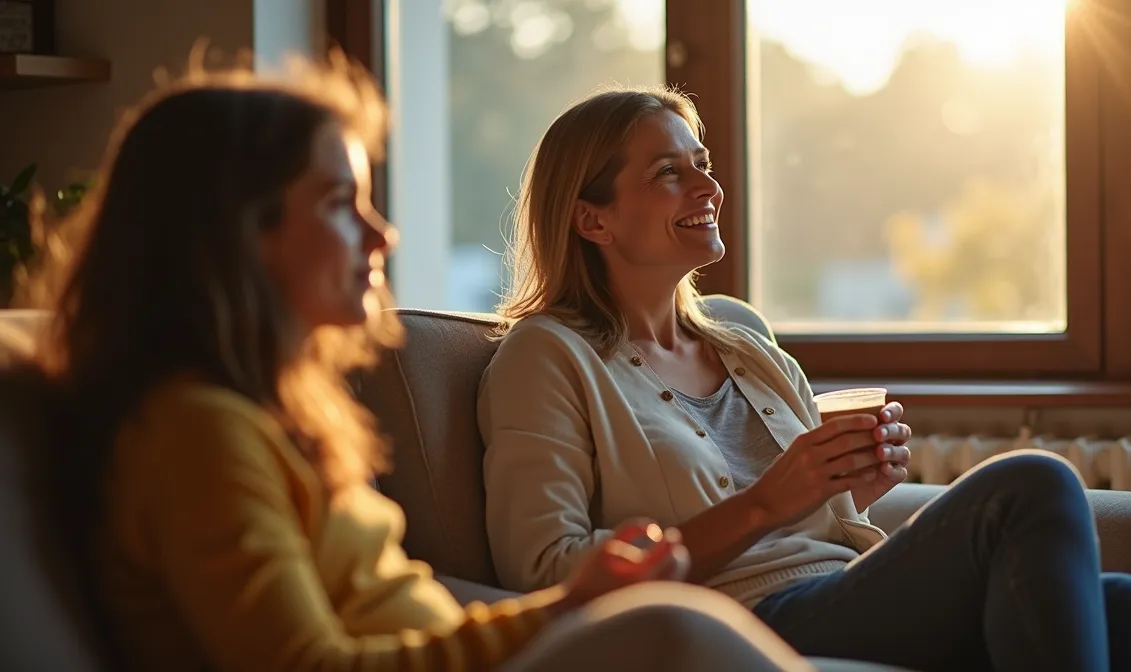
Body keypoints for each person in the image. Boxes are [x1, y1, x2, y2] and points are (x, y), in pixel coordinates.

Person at [26, 57, 814, 671]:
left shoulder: (269, 419)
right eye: (341, 203)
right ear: (236, 235)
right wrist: (567, 607)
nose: (382, 236)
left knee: (673, 629)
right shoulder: (199, 435)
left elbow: (398, 619)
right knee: (673, 631)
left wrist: (568, 609)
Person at [477, 85, 1131, 672]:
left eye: (703, 162)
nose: (709, 186)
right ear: (591, 221)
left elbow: (812, 514)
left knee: (1121, 604)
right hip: (738, 618)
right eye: (669, 172)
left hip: (836, 587)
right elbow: (545, 576)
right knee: (1031, 486)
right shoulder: (548, 356)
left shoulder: (742, 341)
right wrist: (765, 505)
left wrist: (851, 483)